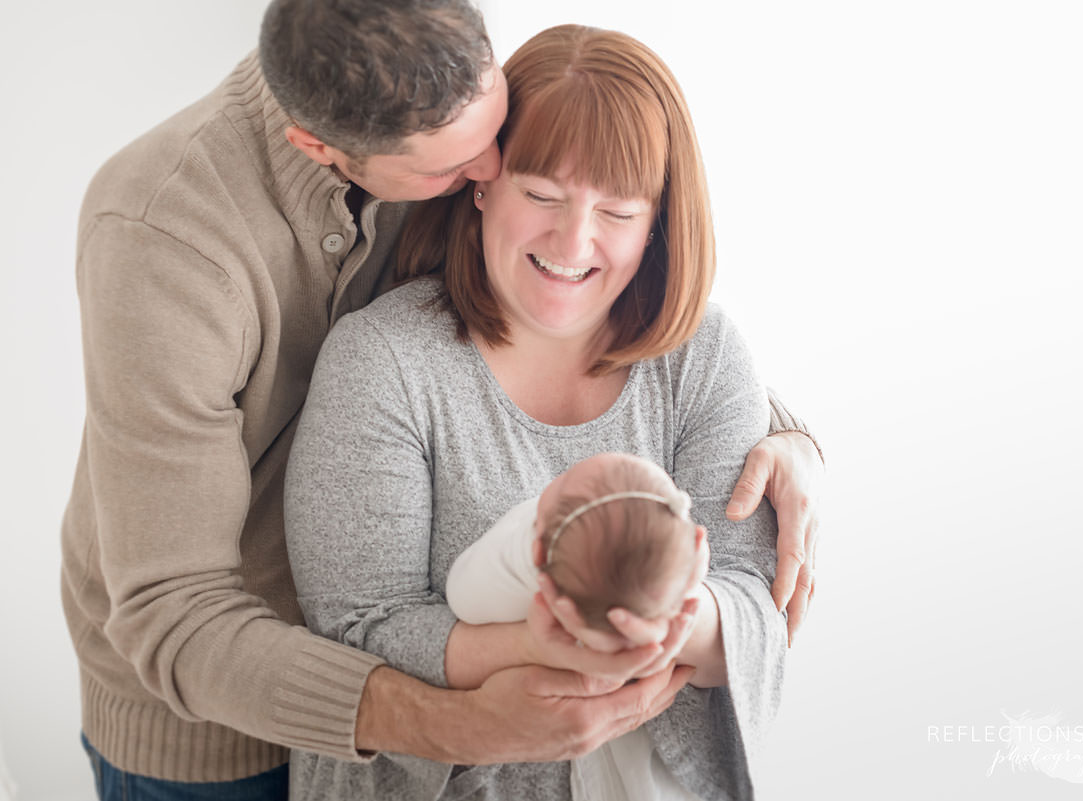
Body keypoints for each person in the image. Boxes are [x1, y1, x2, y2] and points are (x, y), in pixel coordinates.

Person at [61, 0, 821, 797]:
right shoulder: (162, 237)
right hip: (215, 704)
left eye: (495, 124)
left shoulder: (436, 126)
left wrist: (786, 432)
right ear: (322, 148)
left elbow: (635, 339)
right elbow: (176, 611)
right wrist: (483, 707)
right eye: (455, 173)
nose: (487, 167)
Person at [284, 24, 790, 800]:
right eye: (542, 195)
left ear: (657, 219)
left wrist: (640, 627)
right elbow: (359, 627)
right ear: (484, 181)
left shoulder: (703, 355)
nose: (572, 240)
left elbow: (755, 599)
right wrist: (537, 644)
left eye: (617, 211)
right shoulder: (384, 362)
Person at [446, 452, 715, 801]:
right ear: (696, 542)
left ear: (540, 553)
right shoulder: (672, 585)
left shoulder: (521, 576)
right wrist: (685, 586)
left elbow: (461, 593)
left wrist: (528, 557)